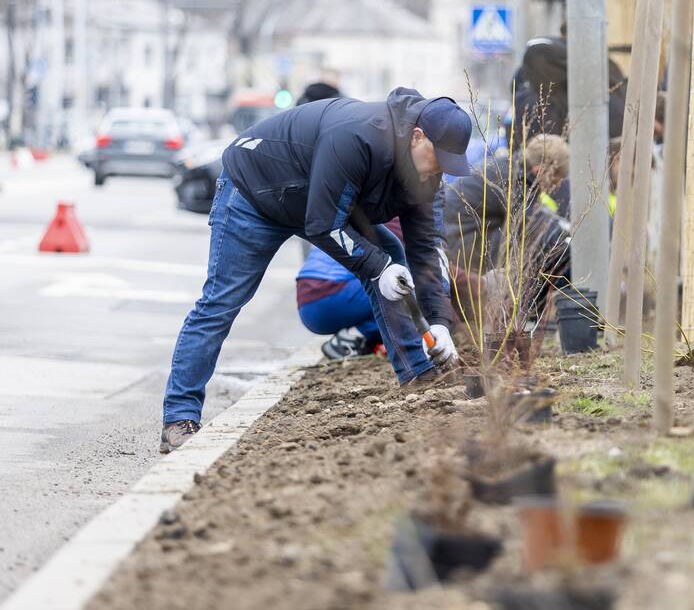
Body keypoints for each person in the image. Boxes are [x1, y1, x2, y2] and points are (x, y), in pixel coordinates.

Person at [160, 87, 472, 452]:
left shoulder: (428, 174)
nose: (440, 170)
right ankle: (179, 417)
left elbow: (427, 249)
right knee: (222, 300)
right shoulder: (358, 136)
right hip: (257, 191)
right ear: (418, 136)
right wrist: (377, 266)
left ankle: (418, 376)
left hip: (316, 200)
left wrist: (439, 321)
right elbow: (323, 224)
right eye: (438, 159)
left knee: (393, 260)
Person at [444, 135, 571, 332]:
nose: (557, 186)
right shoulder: (515, 179)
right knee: (540, 246)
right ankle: (523, 315)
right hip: (462, 241)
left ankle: (519, 313)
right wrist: (562, 230)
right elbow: (528, 225)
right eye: (557, 179)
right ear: (541, 171)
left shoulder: (513, 168)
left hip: (465, 235)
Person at [297, 218, 404, 359]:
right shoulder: (399, 222)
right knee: (404, 283)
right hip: (334, 292)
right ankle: (357, 335)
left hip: (306, 300)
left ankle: (355, 336)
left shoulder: (363, 209)